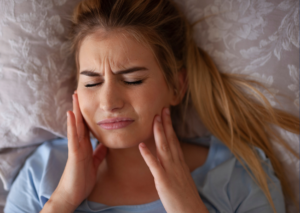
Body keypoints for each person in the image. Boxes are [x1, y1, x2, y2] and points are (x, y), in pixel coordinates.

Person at [4, 0, 299, 212]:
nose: (109, 102)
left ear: (176, 86)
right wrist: (64, 200)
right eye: (92, 83)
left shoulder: (239, 176)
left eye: (132, 80)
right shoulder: (41, 175)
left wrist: (188, 207)